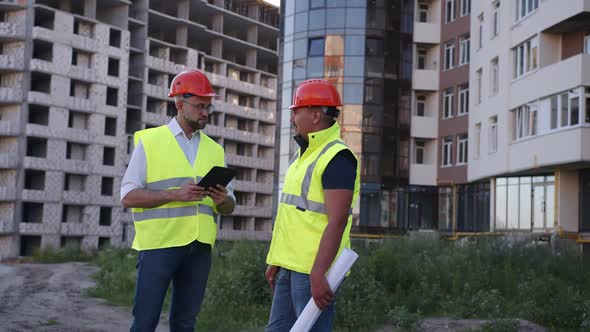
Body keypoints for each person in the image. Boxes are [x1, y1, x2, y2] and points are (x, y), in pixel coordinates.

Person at [121, 69, 236, 332]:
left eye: (209, 107)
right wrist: (174, 194)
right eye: (199, 106)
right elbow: (127, 196)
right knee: (145, 322)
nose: (205, 112)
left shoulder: (215, 150)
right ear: (179, 104)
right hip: (158, 246)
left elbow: (230, 207)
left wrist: (223, 199)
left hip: (199, 250)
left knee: (185, 324)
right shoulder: (150, 141)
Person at [265, 79, 360, 331]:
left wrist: (319, 273)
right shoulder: (303, 155)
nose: (293, 117)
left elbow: (337, 221)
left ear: (316, 115)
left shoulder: (337, 157)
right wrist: (278, 259)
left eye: (297, 111)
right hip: (291, 266)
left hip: (312, 271)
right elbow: (293, 215)